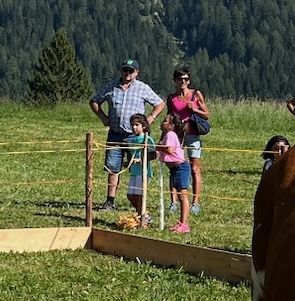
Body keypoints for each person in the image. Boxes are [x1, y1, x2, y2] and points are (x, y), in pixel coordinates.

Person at [90, 59, 164, 211]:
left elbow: (159, 103)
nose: (127, 73)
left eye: (131, 71)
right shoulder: (111, 87)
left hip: (135, 137)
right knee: (113, 167)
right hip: (115, 134)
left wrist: (151, 118)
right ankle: (110, 201)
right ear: (121, 71)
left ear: (137, 73)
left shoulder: (142, 88)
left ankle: (138, 201)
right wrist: (103, 117)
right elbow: (94, 101)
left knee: (136, 167)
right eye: (125, 70)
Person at [168, 68, 211, 213]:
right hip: (176, 136)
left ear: (189, 81)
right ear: (175, 80)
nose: (183, 82)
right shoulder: (171, 98)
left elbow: (207, 115)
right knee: (175, 168)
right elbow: (170, 118)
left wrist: (195, 109)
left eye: (186, 79)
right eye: (180, 79)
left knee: (195, 168)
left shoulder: (196, 94)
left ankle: (196, 203)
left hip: (193, 134)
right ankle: (173, 202)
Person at [121, 113, 156, 227]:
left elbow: (153, 155)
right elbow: (132, 154)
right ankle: (142, 214)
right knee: (131, 195)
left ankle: (144, 217)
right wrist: (128, 162)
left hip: (143, 171)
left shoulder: (147, 139)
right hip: (134, 171)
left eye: (137, 125)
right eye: (132, 125)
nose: (134, 127)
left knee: (139, 195)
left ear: (144, 126)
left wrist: (141, 159)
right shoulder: (133, 139)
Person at [158, 117, 192, 233]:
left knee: (183, 196)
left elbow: (170, 150)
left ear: (171, 126)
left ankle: (184, 225)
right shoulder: (167, 135)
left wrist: (156, 147)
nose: (163, 122)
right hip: (174, 169)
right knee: (179, 194)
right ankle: (181, 223)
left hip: (180, 168)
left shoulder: (170, 134)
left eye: (165, 120)